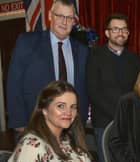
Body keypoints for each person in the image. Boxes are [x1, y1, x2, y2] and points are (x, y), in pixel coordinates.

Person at [6, 0, 88, 136]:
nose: (64, 22)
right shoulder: (27, 42)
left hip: (71, 127)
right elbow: (14, 83)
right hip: (34, 124)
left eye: (69, 18)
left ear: (74, 21)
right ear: (50, 16)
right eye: (59, 16)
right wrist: (19, 122)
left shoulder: (83, 50)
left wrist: (81, 121)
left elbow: (84, 89)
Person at [5, 81, 104, 162]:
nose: (68, 112)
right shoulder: (32, 147)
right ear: (44, 110)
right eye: (61, 106)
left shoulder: (68, 141)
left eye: (73, 107)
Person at [86, 13, 140, 162]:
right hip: (104, 123)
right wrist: (119, 116)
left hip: (130, 124)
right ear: (107, 33)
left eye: (124, 29)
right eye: (116, 29)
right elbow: (93, 91)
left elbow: (139, 91)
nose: (121, 33)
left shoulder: (134, 59)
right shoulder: (94, 57)